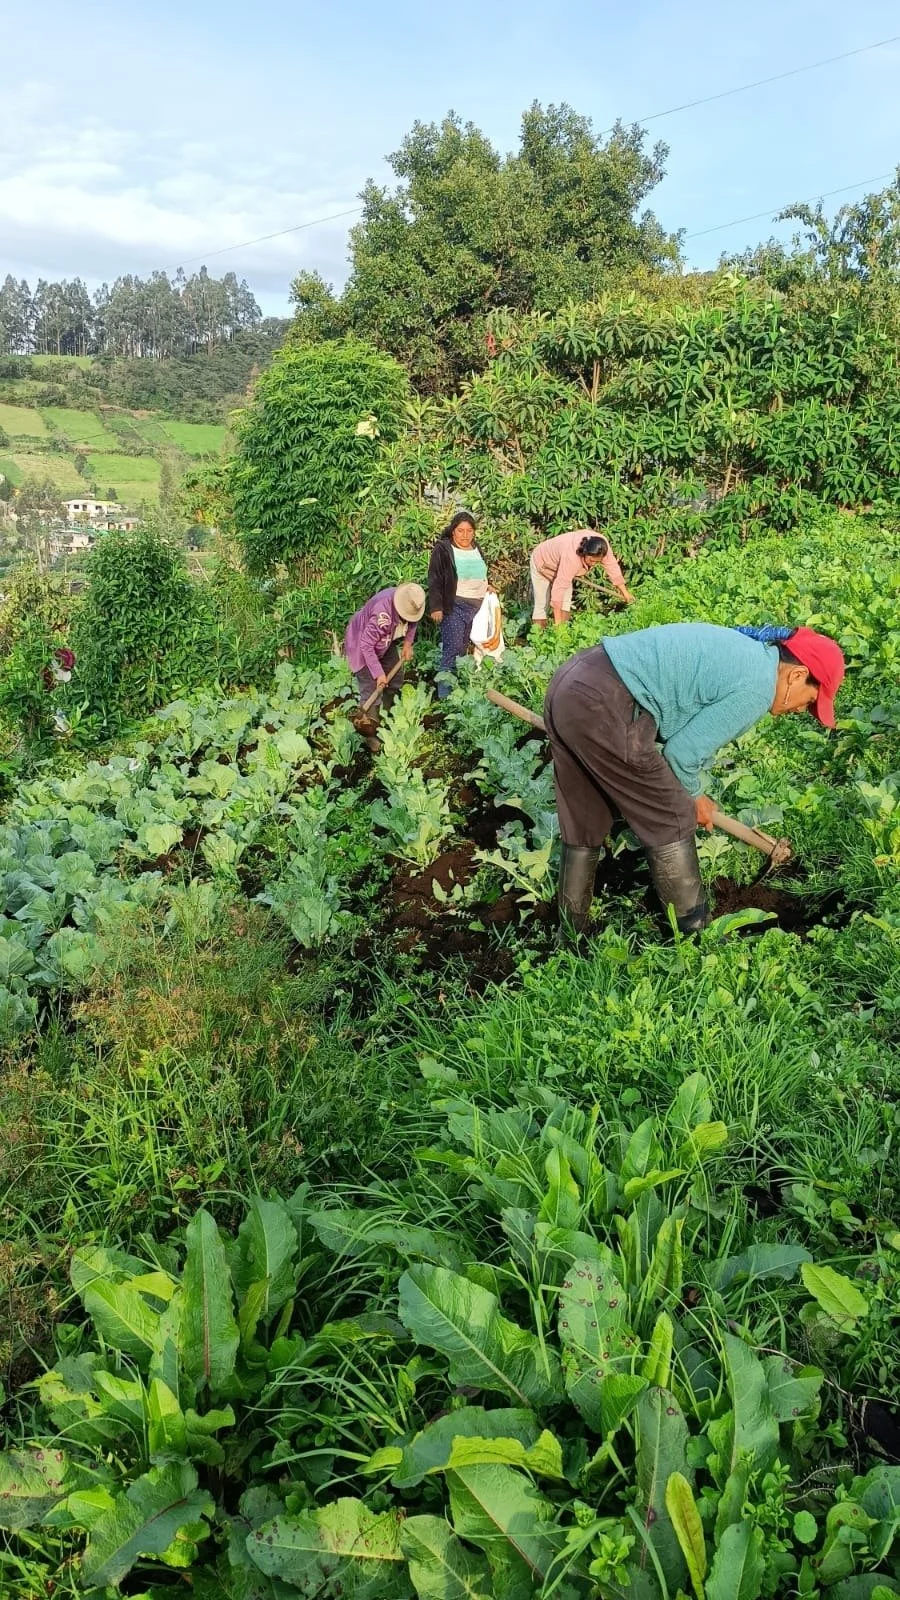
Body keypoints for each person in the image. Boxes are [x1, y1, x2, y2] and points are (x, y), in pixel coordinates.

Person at [544, 622, 845, 936]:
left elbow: (693, 737)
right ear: (796, 675)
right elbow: (682, 754)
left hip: (573, 682)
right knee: (672, 813)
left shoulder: (748, 657)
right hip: (605, 700)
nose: (801, 710)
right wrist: (695, 796)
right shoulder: (758, 686)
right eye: (809, 700)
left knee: (586, 817)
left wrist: (694, 787)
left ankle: (570, 933)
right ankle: (694, 935)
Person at [344, 582, 426, 747]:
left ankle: (385, 715)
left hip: (385, 641)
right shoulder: (382, 615)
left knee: (395, 678)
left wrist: (408, 643)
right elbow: (366, 645)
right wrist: (378, 674)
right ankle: (371, 735)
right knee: (371, 688)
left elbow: (413, 621)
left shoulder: (411, 600)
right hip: (361, 645)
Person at [428, 511, 492, 697]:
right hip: (454, 605)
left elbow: (480, 573)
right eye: (460, 531)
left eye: (469, 531)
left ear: (474, 532)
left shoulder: (476, 547)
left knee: (464, 651)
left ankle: (460, 696)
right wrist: (436, 607)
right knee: (452, 650)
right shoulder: (443, 548)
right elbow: (434, 578)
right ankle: (445, 698)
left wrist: (489, 586)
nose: (465, 535)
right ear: (453, 531)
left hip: (477, 608)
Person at [530, 528, 634, 626]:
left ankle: (563, 631)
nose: (593, 564)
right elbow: (559, 589)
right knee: (542, 604)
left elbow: (613, 568)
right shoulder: (572, 558)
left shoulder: (602, 547)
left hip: (560, 564)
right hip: (542, 561)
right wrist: (557, 624)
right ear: (584, 553)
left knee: (566, 600)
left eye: (597, 562)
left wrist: (625, 594)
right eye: (592, 561)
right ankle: (538, 638)